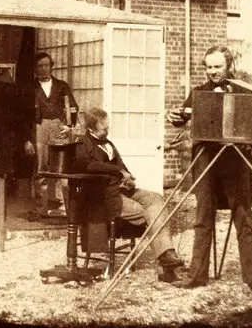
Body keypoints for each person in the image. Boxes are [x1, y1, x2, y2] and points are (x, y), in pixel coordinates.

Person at [166, 45, 252, 294]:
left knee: (244, 218)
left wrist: (251, 140)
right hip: (206, 160)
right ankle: (197, 276)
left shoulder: (245, 91)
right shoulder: (198, 92)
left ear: (229, 65)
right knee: (203, 217)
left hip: (236, 162)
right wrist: (176, 117)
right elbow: (184, 116)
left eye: (218, 66)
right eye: (209, 67)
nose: (213, 71)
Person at [75, 107, 185, 280]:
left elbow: (122, 167)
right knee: (150, 214)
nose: (107, 130)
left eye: (108, 126)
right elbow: (89, 166)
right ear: (91, 128)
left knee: (156, 199)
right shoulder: (82, 145)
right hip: (104, 197)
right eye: (103, 128)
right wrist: (118, 171)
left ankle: (166, 257)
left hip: (122, 190)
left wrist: (128, 177)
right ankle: (165, 265)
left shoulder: (108, 144)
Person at [23, 52, 78, 218]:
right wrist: (27, 139)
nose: (43, 69)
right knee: (41, 167)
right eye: (40, 66)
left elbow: (73, 107)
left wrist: (69, 127)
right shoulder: (29, 87)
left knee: (63, 167)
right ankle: (41, 208)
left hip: (59, 126)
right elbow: (24, 116)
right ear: (35, 68)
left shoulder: (62, 86)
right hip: (39, 127)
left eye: (46, 65)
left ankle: (67, 209)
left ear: (51, 66)